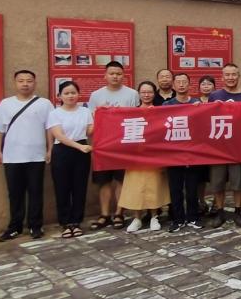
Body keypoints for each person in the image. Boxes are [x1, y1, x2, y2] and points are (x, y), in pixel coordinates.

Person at [0, 70, 53, 241]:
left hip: (36, 156)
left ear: (35, 83)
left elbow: (50, 128)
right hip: (12, 156)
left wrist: (50, 149)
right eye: (21, 81)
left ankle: (35, 226)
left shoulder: (44, 104)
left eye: (29, 81)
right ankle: (15, 227)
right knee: (15, 193)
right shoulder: (5, 104)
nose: (25, 84)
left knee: (35, 192)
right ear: (15, 83)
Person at [87, 61, 139, 230]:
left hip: (124, 144)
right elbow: (91, 119)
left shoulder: (132, 94)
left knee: (121, 180)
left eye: (118, 73)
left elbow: (136, 117)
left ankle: (119, 213)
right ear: (105, 76)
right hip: (103, 144)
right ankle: (104, 214)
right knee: (104, 181)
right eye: (112, 73)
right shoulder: (96, 95)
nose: (115, 76)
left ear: (123, 76)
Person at [207, 63, 241, 228]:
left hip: (237, 148)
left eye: (234, 74)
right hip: (218, 148)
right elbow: (206, 118)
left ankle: (238, 211)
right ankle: (219, 212)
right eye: (227, 75)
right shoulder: (214, 96)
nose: (230, 77)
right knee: (218, 182)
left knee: (237, 183)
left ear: (239, 76)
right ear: (222, 77)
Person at [119, 81, 170, 233]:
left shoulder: (160, 111)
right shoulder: (131, 112)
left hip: (154, 155)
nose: (146, 95)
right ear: (139, 94)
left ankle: (154, 216)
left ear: (154, 94)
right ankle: (137, 218)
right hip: (135, 156)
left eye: (150, 92)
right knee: (136, 187)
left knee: (154, 186)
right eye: (143, 92)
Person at [48, 81, 93, 239]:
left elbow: (90, 131)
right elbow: (59, 136)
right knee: (62, 188)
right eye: (66, 93)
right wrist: (79, 147)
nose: (70, 96)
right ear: (59, 96)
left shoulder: (85, 111)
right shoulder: (55, 113)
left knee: (80, 187)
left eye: (73, 92)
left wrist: (103, 115)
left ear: (78, 94)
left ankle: (76, 222)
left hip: (82, 151)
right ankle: (65, 223)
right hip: (62, 151)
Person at [163, 73, 204, 232]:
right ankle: (178, 219)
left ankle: (193, 217)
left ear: (189, 84)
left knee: (192, 188)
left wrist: (201, 109)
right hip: (173, 154)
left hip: (193, 153)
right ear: (173, 85)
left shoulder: (197, 103)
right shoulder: (167, 105)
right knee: (175, 189)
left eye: (184, 82)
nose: (181, 85)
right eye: (178, 82)